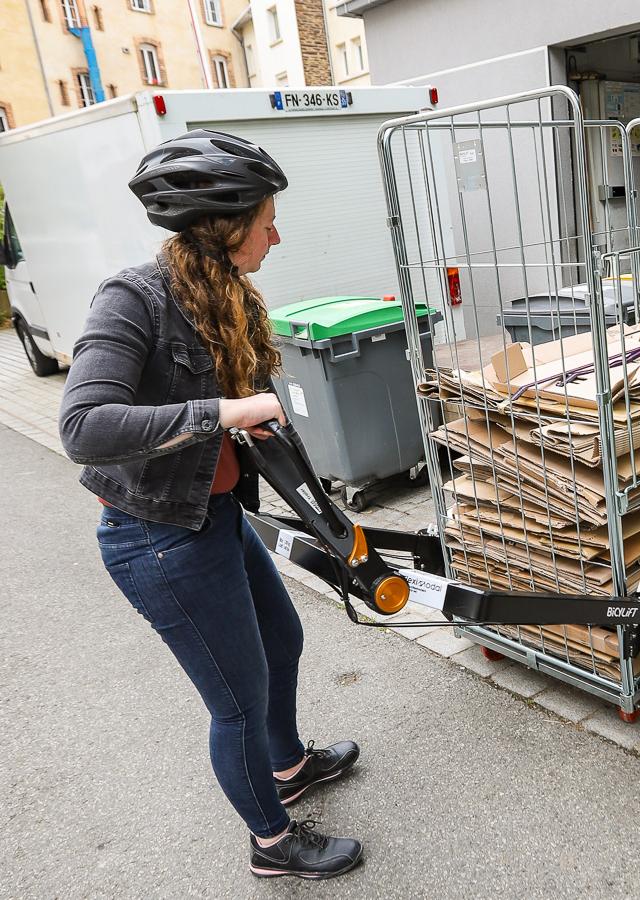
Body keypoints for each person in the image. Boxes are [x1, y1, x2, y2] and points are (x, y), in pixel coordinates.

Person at [59, 130, 363, 880]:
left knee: (283, 639)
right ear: (227, 227)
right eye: (267, 220)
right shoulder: (134, 299)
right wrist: (221, 413)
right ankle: (272, 842)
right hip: (157, 538)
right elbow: (84, 426)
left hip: (214, 515)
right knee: (237, 701)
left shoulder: (222, 297)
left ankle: (288, 765)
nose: (276, 234)